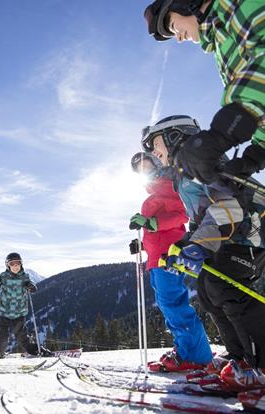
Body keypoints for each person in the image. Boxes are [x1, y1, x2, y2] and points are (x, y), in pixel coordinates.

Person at [141, 115, 265, 394]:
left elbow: (227, 205)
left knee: (229, 291)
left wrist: (198, 246)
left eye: (154, 143)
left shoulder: (195, 158)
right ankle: (241, 360)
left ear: (174, 136)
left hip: (246, 235)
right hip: (227, 237)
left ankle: (261, 366)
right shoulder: (184, 171)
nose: (152, 151)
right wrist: (185, 245)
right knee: (210, 293)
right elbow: (200, 217)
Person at [143, 0, 265, 184]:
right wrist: (254, 157)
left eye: (173, 26)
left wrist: (223, 132)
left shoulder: (233, 5)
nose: (179, 38)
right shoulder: (221, 44)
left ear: (186, 4)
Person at [129, 152, 212, 372]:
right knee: (168, 304)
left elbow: (182, 215)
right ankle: (186, 350)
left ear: (157, 164)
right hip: (157, 257)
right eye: (140, 171)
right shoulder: (155, 192)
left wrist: (151, 222)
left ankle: (195, 356)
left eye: (147, 166)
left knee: (173, 304)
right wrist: (142, 245)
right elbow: (156, 230)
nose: (144, 172)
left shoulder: (168, 185)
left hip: (169, 255)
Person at [0, 252, 52, 359]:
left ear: (21, 264)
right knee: (2, 338)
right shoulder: (3, 276)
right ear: (8, 265)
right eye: (12, 264)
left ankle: (37, 350)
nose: (15, 266)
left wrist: (31, 286)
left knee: (22, 338)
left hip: (19, 314)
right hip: (4, 313)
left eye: (17, 263)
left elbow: (33, 286)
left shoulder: (25, 277)